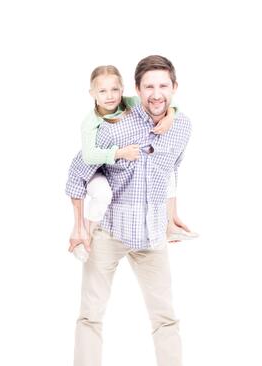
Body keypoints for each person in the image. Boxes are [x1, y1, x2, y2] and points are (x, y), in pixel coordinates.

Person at [61, 55, 204, 366]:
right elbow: (77, 174)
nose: (156, 94)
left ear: (174, 89)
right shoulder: (114, 126)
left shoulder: (182, 126)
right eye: (149, 87)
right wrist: (79, 226)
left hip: (153, 235)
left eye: (163, 86)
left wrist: (172, 216)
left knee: (166, 318)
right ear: (136, 91)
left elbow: (171, 170)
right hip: (109, 232)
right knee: (90, 315)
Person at [71, 65, 198, 262]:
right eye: (102, 91)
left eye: (115, 90)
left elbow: (158, 102)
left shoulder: (128, 103)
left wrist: (171, 115)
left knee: (166, 172)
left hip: (114, 167)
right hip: (97, 169)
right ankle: (87, 233)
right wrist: (120, 153)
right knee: (104, 194)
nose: (110, 96)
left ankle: (170, 225)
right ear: (92, 94)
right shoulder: (92, 123)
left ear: (123, 90)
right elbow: (88, 157)